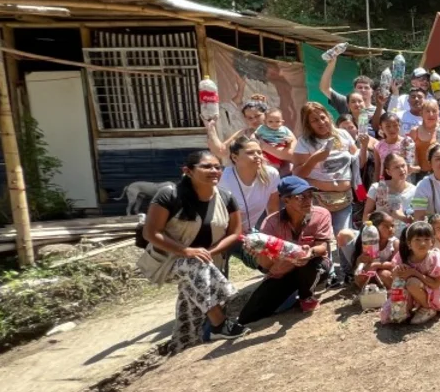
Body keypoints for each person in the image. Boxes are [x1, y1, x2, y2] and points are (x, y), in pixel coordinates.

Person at [139, 151, 247, 351]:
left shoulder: (226, 197)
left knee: (190, 297)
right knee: (195, 263)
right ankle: (219, 324)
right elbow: (150, 233)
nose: (214, 170)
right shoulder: (169, 195)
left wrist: (212, 250)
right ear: (187, 171)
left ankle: (183, 342)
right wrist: (186, 251)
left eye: (217, 167)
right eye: (206, 166)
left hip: (208, 262)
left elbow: (235, 232)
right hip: (168, 261)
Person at [237, 176, 334, 323]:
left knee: (313, 264)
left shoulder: (321, 214)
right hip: (282, 272)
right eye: (301, 197)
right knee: (248, 316)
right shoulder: (271, 222)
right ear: (285, 200)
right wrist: (259, 252)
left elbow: (323, 247)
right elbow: (267, 266)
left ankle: (306, 296)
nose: (308, 200)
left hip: (311, 266)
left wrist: (310, 252)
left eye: (310, 195)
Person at [292, 102, 358, 239]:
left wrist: (364, 146)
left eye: (323, 117)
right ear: (308, 124)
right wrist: (315, 159)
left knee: (345, 238)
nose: (321, 122)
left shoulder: (343, 135)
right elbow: (297, 174)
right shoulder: (304, 142)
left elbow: (357, 159)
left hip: (343, 199)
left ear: (328, 116)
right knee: (321, 239)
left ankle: (347, 262)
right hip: (318, 199)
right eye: (315, 120)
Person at [388, 220, 440, 325]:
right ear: (409, 243)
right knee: (395, 314)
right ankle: (408, 310)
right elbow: (393, 277)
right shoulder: (403, 256)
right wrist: (397, 272)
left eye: (426, 239)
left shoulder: (435, 258)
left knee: (412, 282)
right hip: (411, 294)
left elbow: (436, 284)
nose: (422, 243)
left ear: (432, 242)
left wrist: (414, 272)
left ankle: (428, 308)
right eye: (417, 239)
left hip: (432, 294)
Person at [347, 211, 399, 291]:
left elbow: (394, 265)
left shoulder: (394, 243)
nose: (391, 229)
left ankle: (388, 295)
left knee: (385, 274)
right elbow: (360, 263)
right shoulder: (368, 241)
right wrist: (360, 259)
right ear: (374, 228)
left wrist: (376, 265)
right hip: (370, 273)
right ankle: (367, 292)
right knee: (359, 275)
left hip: (385, 273)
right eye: (386, 226)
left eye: (392, 226)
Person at [205, 96, 268, 161]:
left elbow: (279, 154)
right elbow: (222, 152)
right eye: (250, 118)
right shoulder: (243, 133)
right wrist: (211, 128)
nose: (254, 120)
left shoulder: (278, 130)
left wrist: (260, 144)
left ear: (266, 115)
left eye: (257, 116)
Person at [364, 152, 417, 226]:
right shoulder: (376, 188)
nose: (402, 170)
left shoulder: (416, 190)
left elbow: (418, 221)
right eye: (396, 167)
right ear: (388, 172)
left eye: (403, 165)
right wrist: (381, 213)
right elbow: (365, 218)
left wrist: (400, 217)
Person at [409, 98, 440, 182]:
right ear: (421, 113)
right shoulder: (414, 131)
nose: (431, 114)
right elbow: (410, 156)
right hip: (421, 175)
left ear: (439, 113)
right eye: (427, 111)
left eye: (434, 111)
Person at [319, 53, 375, 118]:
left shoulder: (378, 111)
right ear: (354, 90)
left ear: (372, 92)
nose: (363, 90)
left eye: (366, 88)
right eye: (360, 87)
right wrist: (331, 64)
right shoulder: (345, 103)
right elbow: (324, 88)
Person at [254, 107, 296, 172]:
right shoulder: (262, 128)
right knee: (263, 158)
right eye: (270, 122)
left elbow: (290, 139)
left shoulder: (284, 129)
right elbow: (255, 135)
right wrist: (254, 140)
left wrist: (288, 140)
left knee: (277, 164)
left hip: (279, 145)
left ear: (282, 122)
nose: (274, 124)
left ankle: (275, 167)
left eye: (277, 121)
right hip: (266, 144)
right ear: (265, 122)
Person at [373, 112, 406, 177]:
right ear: (381, 128)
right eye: (388, 126)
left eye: (395, 125)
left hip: (403, 182)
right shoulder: (378, 146)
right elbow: (377, 169)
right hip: (385, 183)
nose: (392, 129)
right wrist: (376, 184)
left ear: (399, 125)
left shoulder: (407, 143)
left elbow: (416, 166)